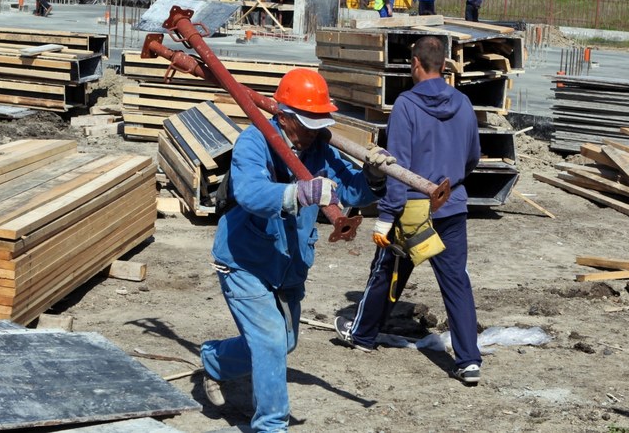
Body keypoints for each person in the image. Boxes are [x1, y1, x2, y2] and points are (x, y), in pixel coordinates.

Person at [200, 68, 393, 432]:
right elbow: (250, 193)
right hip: (245, 261)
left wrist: (373, 176)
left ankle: (215, 360)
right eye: (309, 121)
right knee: (271, 338)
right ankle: (271, 426)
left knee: (283, 342)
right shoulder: (255, 141)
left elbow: (350, 192)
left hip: (290, 261)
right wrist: (297, 193)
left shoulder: (320, 146)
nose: (317, 129)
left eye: (321, 120)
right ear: (284, 117)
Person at [335, 36, 483, 386]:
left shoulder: (405, 105)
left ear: (415, 64)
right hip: (451, 205)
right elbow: (473, 156)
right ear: (444, 65)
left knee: (387, 271)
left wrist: (386, 216)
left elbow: (395, 165)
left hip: (412, 212)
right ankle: (469, 361)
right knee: (456, 283)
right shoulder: (463, 104)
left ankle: (363, 334)